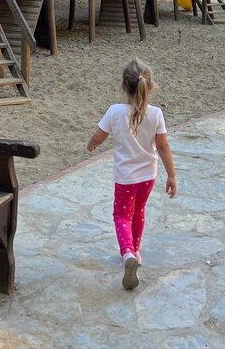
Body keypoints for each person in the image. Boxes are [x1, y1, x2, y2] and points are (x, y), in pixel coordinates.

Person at [87, 57, 177, 290]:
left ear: (123, 85)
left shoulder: (115, 111)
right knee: (138, 212)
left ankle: (127, 253)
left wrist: (92, 144)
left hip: (126, 177)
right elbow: (164, 146)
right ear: (149, 85)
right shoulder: (156, 114)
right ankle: (136, 251)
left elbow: (100, 134)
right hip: (148, 175)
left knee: (121, 215)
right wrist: (172, 175)